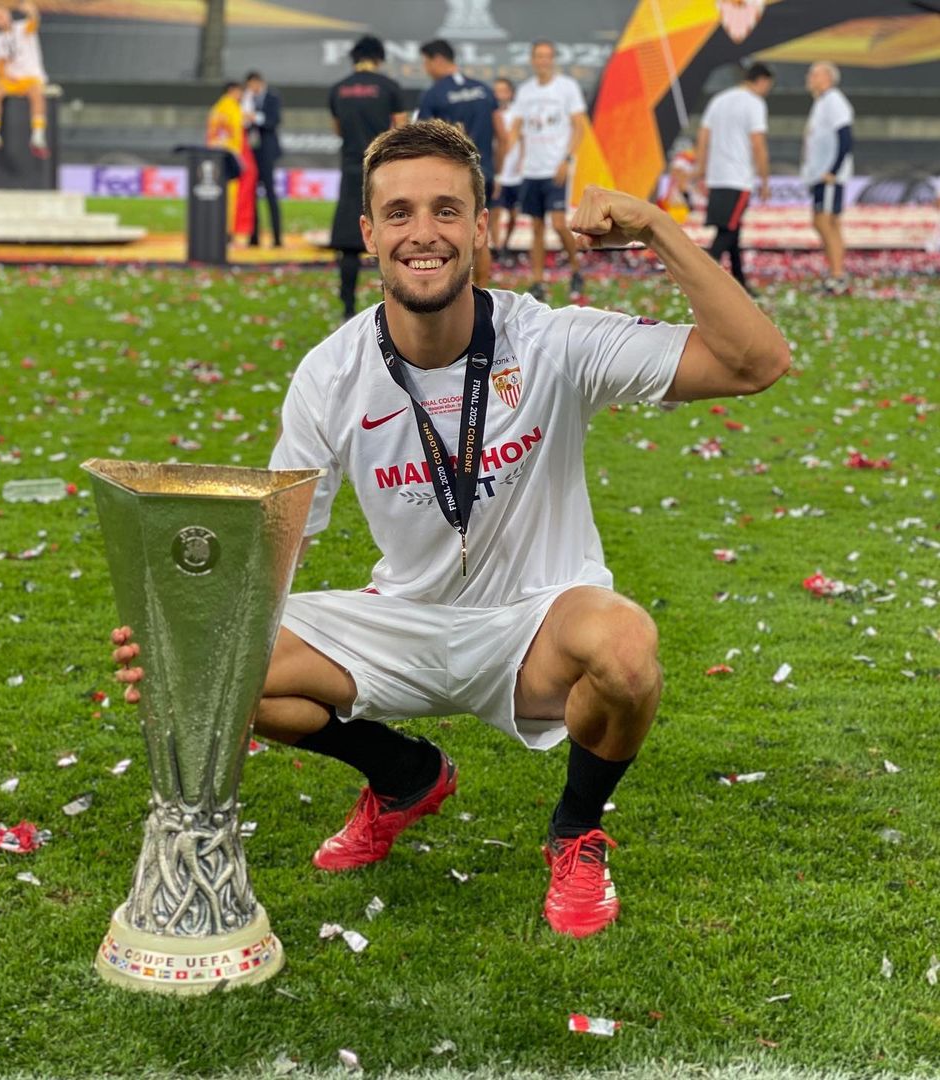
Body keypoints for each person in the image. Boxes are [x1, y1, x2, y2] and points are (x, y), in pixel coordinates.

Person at [113, 120, 791, 940]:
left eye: (446, 210)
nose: (423, 233)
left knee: (626, 648)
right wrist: (187, 639)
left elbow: (758, 363)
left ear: (480, 227)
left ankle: (576, 833)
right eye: (399, 213)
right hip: (401, 621)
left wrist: (656, 228)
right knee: (218, 666)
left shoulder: (552, 340)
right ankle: (404, 775)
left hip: (536, 623)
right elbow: (278, 543)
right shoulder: (331, 372)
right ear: (369, 234)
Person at [327, 34, 406, 322]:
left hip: (351, 168)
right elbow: (401, 129)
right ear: (379, 58)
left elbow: (337, 129)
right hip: (382, 169)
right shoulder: (390, 88)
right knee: (391, 235)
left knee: (349, 242)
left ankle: (347, 306)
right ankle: (394, 304)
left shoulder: (338, 89)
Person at [416, 38, 504, 287]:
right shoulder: (484, 90)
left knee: (446, 236)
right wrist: (497, 172)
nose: (426, 69)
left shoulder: (433, 94)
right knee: (480, 237)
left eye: (425, 63)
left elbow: (422, 140)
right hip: (483, 172)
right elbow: (503, 136)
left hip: (448, 178)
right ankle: (483, 294)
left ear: (438, 60)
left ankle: (452, 292)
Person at [509, 40, 586, 303]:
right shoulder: (525, 91)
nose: (542, 61)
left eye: (547, 56)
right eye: (538, 56)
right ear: (532, 59)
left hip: (556, 166)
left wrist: (566, 159)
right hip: (532, 168)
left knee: (558, 222)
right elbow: (516, 128)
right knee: (537, 227)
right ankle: (538, 280)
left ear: (552, 59)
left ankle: (576, 269)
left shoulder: (567, 88)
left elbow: (579, 126)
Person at [694, 62, 774, 293]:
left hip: (717, 177)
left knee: (732, 231)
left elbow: (703, 134)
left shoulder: (719, 100)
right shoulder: (755, 103)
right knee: (726, 233)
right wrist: (765, 180)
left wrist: (701, 168)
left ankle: (740, 283)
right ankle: (701, 278)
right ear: (762, 81)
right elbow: (758, 143)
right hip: (738, 178)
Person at [801, 61, 854, 295]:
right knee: (826, 222)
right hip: (819, 174)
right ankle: (837, 272)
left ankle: (837, 275)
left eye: (815, 74)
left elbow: (845, 136)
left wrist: (833, 169)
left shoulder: (834, 100)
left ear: (828, 78)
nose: (810, 77)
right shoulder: (821, 103)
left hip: (829, 175)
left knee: (826, 221)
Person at [0, 2, 48, 157]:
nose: (2, 18)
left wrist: (31, 11)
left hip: (30, 78)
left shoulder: (22, 28)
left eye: (3, 14)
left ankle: (38, 135)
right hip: (10, 80)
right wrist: (5, 76)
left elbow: (33, 22)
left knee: (37, 93)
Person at [205, 80, 250, 243]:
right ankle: (226, 233)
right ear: (232, 91)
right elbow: (231, 135)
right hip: (229, 157)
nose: (241, 95)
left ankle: (220, 231)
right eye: (240, 92)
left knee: (220, 196)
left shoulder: (218, 108)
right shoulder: (230, 108)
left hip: (218, 156)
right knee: (229, 198)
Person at [244, 71, 283, 249]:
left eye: (253, 84)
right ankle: (253, 236)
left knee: (270, 194)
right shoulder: (248, 99)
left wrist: (256, 118)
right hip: (252, 152)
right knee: (251, 195)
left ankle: (277, 237)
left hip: (267, 151)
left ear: (260, 82)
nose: (252, 88)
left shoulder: (272, 97)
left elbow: (274, 121)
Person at [489, 77, 522, 259]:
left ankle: (506, 244)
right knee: (495, 212)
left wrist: (522, 163)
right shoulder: (489, 113)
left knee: (514, 214)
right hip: (497, 173)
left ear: (510, 93)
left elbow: (522, 140)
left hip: (515, 175)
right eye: (497, 91)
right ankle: (498, 248)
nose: (500, 95)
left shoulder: (517, 114)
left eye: (503, 91)